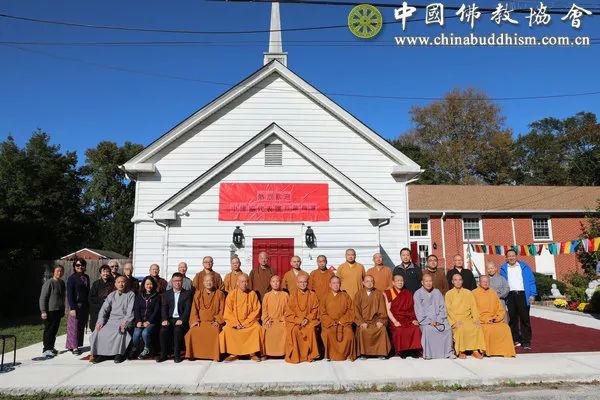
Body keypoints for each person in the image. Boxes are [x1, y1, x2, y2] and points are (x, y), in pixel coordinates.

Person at [89, 276, 135, 364]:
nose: (121, 284)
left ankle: (119, 354)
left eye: (123, 282)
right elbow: (104, 309)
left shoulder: (131, 294)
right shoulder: (111, 295)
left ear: (126, 283)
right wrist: (100, 321)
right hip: (111, 320)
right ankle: (101, 354)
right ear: (115, 284)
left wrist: (125, 323)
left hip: (123, 320)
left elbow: (130, 311)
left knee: (120, 332)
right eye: (119, 282)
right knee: (99, 331)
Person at [500, 249, 538, 350]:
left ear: (516, 256)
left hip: (523, 294)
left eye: (513, 255)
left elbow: (531, 281)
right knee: (513, 319)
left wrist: (533, 294)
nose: (511, 257)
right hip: (510, 295)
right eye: (509, 256)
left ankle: (526, 341)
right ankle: (515, 339)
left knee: (525, 319)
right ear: (506, 258)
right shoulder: (503, 268)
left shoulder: (524, 267)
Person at [219, 273, 262, 362]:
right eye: (242, 282)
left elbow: (256, 310)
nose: (244, 284)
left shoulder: (252, 294)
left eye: (246, 282)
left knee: (258, 328)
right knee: (226, 329)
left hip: (250, 322)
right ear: (237, 283)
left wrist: (245, 323)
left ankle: (252, 353)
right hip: (234, 322)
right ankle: (233, 353)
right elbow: (228, 311)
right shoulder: (232, 294)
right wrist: (236, 323)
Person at [413, 273, 455, 359]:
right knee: (428, 330)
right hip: (426, 322)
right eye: (426, 281)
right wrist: (429, 322)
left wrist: (438, 320)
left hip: (439, 320)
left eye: (430, 281)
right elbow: (419, 311)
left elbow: (442, 308)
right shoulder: (417, 294)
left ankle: (448, 352)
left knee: (447, 328)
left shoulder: (437, 292)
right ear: (422, 282)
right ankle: (428, 354)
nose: (428, 283)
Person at [473, 276, 516, 357]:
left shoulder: (493, 293)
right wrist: (484, 320)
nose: (486, 283)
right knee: (487, 330)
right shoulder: (474, 293)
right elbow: (473, 311)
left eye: (487, 281)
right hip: (482, 321)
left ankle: (505, 351)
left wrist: (497, 318)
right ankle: (487, 351)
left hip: (494, 319)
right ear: (479, 283)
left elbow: (500, 309)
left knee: (505, 328)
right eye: (483, 281)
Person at [185, 274, 225, 361]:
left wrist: (218, 321)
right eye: (206, 281)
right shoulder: (198, 294)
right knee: (191, 332)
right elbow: (194, 309)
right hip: (201, 322)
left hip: (213, 322)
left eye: (210, 281)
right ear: (203, 283)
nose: (208, 283)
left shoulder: (219, 294)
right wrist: (195, 320)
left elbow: (223, 310)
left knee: (215, 332)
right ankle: (193, 354)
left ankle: (214, 355)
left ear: (213, 282)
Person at [445, 273, 486, 359]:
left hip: (468, 318)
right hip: (456, 319)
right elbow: (448, 310)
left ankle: (475, 350)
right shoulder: (449, 294)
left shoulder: (468, 293)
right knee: (460, 328)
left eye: (460, 280)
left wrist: (476, 319)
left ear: (462, 281)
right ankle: (461, 351)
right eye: (455, 280)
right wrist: (455, 321)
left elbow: (473, 307)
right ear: (452, 282)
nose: (458, 282)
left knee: (476, 327)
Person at [284, 274, 320, 363]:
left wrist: (307, 319)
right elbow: (289, 312)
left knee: (311, 329)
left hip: (309, 320)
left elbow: (315, 309)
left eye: (304, 282)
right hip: (296, 321)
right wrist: (299, 321)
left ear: (307, 283)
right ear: (297, 284)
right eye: (300, 282)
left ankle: (310, 354)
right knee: (295, 330)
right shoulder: (292, 295)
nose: (303, 284)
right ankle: (297, 355)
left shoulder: (312, 294)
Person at [157, 272, 193, 363]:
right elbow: (164, 308)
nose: (178, 283)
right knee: (163, 330)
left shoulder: (187, 294)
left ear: (182, 282)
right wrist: (164, 319)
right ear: (172, 282)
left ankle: (177, 355)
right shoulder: (166, 294)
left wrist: (182, 319)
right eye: (175, 281)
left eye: (179, 281)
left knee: (177, 330)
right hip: (169, 319)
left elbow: (187, 310)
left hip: (181, 319)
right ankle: (163, 354)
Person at [353, 275, 391, 359]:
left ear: (373, 283)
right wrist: (361, 322)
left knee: (382, 329)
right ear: (363, 283)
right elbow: (356, 311)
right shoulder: (359, 294)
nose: (369, 283)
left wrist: (381, 321)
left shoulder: (378, 293)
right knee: (362, 330)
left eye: (371, 281)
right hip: (363, 321)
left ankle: (381, 352)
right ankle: (363, 353)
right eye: (367, 281)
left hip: (375, 321)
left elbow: (382, 310)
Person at [384, 274, 422, 358]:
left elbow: (411, 309)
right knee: (399, 330)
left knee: (415, 329)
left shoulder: (407, 293)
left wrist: (413, 319)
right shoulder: (389, 292)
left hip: (408, 318)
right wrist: (395, 322)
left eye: (401, 281)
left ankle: (413, 350)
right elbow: (388, 310)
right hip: (396, 319)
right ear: (393, 282)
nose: (400, 282)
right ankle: (402, 351)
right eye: (397, 281)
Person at [320, 276, 356, 361]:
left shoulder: (345, 296)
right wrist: (332, 322)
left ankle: (346, 354)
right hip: (330, 323)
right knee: (328, 333)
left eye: (338, 283)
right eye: (334, 283)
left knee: (349, 332)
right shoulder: (325, 297)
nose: (336, 285)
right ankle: (329, 355)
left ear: (340, 284)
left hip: (343, 322)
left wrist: (341, 321)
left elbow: (351, 310)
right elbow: (322, 313)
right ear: (330, 285)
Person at [130, 276, 161, 359]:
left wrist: (149, 321)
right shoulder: (139, 296)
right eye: (147, 284)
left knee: (145, 333)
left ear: (153, 285)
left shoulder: (157, 296)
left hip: (152, 321)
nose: (149, 286)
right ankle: (135, 349)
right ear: (143, 285)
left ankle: (147, 349)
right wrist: (138, 321)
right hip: (140, 321)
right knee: (136, 334)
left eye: (150, 284)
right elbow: (136, 309)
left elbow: (156, 311)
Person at [260, 275, 289, 360]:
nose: (275, 283)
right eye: (273, 281)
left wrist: (285, 319)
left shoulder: (285, 295)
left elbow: (288, 310)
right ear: (270, 283)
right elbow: (264, 310)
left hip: (281, 320)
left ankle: (284, 352)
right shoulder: (267, 295)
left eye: (277, 281)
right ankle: (265, 353)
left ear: (280, 283)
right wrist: (266, 320)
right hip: (270, 320)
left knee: (286, 329)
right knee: (265, 329)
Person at [39, 264, 66, 357]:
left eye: (61, 271)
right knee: (49, 330)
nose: (60, 272)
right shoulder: (49, 283)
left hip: (58, 310)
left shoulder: (62, 283)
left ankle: (51, 347)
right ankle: (46, 349)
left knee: (54, 330)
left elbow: (62, 297)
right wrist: (43, 311)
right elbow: (43, 298)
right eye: (58, 271)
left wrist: (63, 308)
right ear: (53, 272)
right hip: (50, 311)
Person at [66, 258, 90, 355]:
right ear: (74, 267)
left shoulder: (86, 277)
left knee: (80, 327)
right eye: (77, 265)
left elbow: (88, 291)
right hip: (76, 306)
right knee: (73, 327)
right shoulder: (72, 278)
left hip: (84, 306)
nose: (80, 267)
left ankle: (74, 345)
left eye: (82, 265)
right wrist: (72, 308)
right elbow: (70, 294)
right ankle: (74, 347)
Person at [88, 265, 115, 332]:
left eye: (107, 271)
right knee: (95, 330)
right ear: (100, 273)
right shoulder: (96, 284)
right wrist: (102, 302)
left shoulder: (113, 284)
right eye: (104, 271)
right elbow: (91, 298)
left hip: (109, 311)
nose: (105, 273)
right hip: (97, 310)